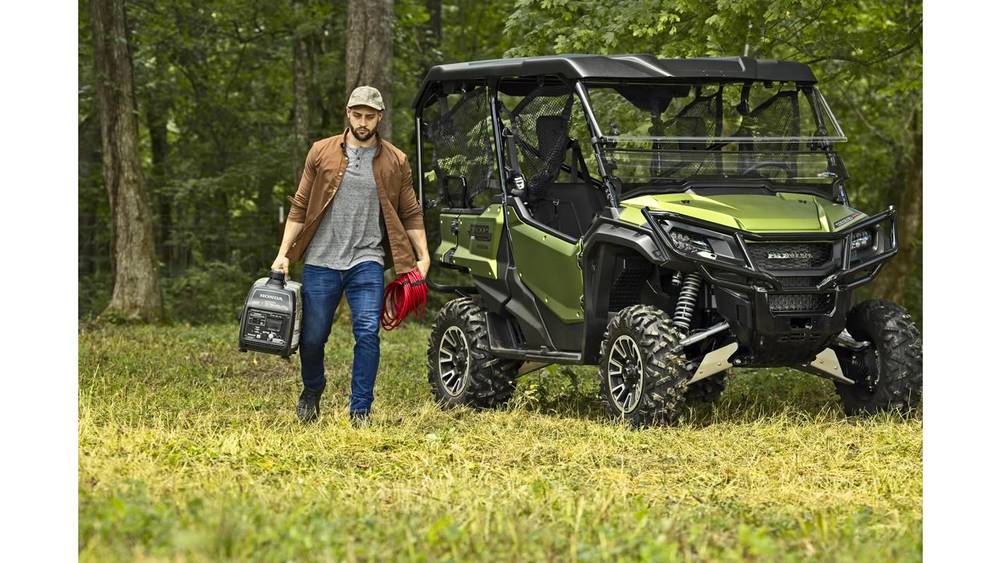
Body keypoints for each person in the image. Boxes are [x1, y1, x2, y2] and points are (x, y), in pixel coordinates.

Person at [272, 85, 430, 426]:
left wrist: (423, 257)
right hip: (321, 260)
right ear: (347, 114)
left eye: (369, 116)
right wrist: (283, 254)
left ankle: (360, 410)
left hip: (367, 261)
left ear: (380, 117)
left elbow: (411, 212)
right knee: (312, 338)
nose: (362, 122)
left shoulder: (396, 160)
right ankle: (312, 389)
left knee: (368, 333)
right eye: (357, 115)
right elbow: (300, 206)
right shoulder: (321, 152)